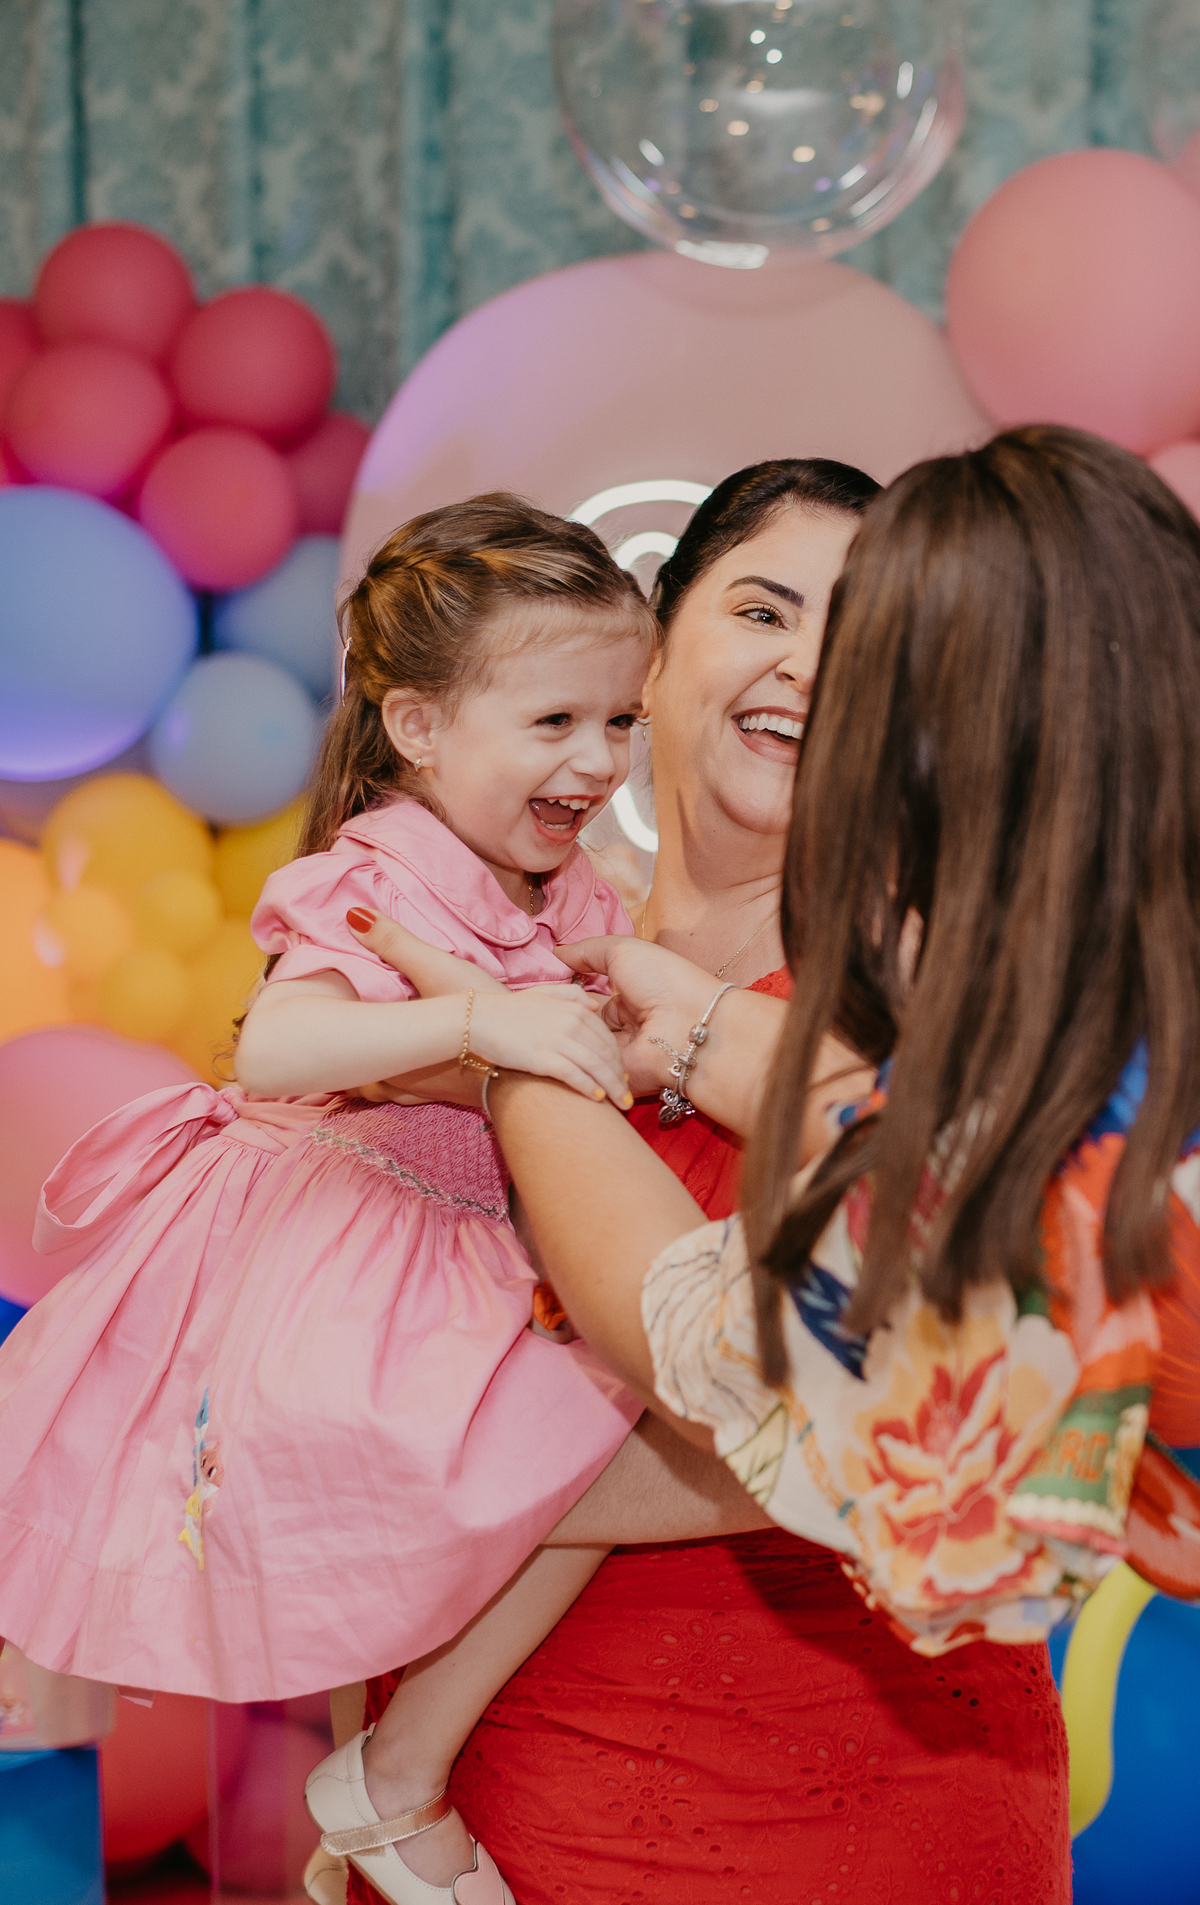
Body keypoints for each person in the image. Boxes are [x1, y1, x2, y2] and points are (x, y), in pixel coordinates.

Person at [364, 426, 1200, 1905]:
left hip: (848, 1811)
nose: (822, 673)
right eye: (767, 609)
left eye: (884, 644)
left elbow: (753, 1377)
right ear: (653, 638)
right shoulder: (527, 936)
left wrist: (504, 1046)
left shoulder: (1003, 1025)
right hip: (488, 1811)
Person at [0, 494, 763, 1905]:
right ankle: (394, 1770)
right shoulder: (381, 867)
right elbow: (279, 1046)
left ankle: (394, 1768)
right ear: (418, 726)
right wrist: (479, 1018)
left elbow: (579, 1048)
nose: (597, 761)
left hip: (453, 1246)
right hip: (337, 1244)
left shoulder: (570, 885)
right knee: (581, 1423)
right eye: (554, 721)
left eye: (617, 720)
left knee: (592, 1427)